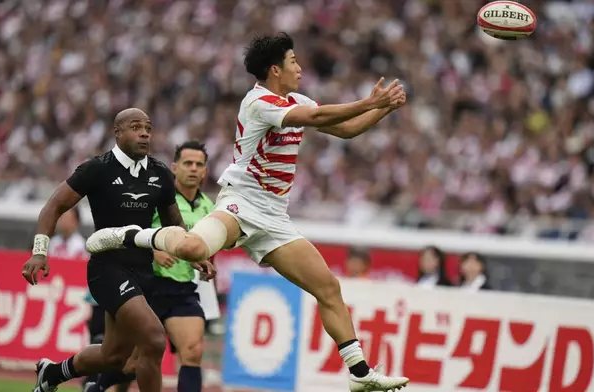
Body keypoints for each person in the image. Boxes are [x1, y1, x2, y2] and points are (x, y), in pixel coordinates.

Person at [85, 33, 408, 391]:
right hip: (242, 204)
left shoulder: (295, 98)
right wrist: (370, 100)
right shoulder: (258, 101)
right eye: (293, 62)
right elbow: (317, 114)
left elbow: (345, 130)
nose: (299, 68)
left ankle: (359, 374)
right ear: (275, 69)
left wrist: (384, 109)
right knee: (192, 249)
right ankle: (126, 235)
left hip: (275, 217)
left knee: (328, 287)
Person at [22, 108, 215, 392]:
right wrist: (40, 251)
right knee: (154, 339)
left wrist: (195, 254)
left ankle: (52, 373)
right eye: (136, 127)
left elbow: (175, 222)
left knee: (112, 356)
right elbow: (55, 206)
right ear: (118, 132)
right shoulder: (97, 169)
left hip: (143, 272)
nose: (144, 133)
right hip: (107, 271)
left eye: (148, 128)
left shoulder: (160, 172)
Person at [85, 141, 219, 392]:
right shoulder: (157, 197)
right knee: (130, 363)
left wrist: (208, 271)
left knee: (193, 351)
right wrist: (153, 251)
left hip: (182, 290)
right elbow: (130, 232)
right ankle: (96, 385)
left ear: (205, 171)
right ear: (174, 168)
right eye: (187, 163)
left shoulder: (210, 209)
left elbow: (208, 249)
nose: (193, 168)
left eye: (198, 164)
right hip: (147, 287)